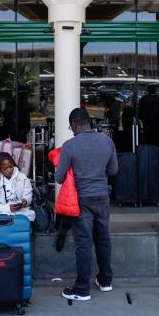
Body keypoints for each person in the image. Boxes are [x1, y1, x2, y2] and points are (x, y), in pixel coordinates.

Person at [54, 108, 118, 301]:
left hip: (81, 199)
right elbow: (113, 170)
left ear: (74, 124)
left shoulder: (70, 145)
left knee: (84, 243)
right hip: (102, 197)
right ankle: (105, 281)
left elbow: (59, 177)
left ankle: (82, 289)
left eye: (70, 126)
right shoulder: (107, 141)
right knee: (103, 239)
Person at [0, 152, 36, 221]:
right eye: (5, 168)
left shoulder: (22, 178)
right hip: (2, 212)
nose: (9, 170)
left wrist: (25, 200)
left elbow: (28, 194)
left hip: (20, 211)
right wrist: (7, 208)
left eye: (11, 167)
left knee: (30, 214)